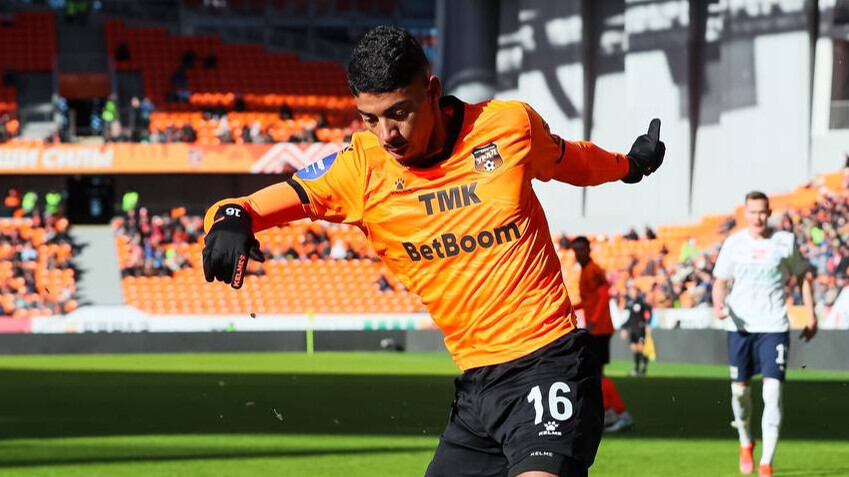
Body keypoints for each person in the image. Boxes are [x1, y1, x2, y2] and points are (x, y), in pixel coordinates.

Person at [201, 26, 665, 477]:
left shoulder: (507, 127)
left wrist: (630, 165)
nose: (387, 134)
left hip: (549, 360)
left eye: (398, 112)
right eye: (370, 119)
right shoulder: (360, 170)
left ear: (432, 91)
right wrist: (229, 222)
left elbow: (571, 159)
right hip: (477, 389)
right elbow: (242, 207)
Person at [712, 191, 817, 477]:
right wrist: (718, 304)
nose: (758, 217)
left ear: (769, 213)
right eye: (753, 212)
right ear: (745, 213)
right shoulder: (734, 244)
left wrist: (811, 314)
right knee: (740, 393)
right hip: (740, 327)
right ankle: (745, 441)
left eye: (762, 212)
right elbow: (720, 281)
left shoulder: (784, 242)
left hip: (774, 326)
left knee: (772, 392)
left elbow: (802, 276)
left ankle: (766, 463)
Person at [571, 236, 633, 433]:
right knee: (594, 373)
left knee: (596, 373)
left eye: (581, 249)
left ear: (589, 249)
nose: (578, 253)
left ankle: (620, 414)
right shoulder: (585, 270)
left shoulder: (594, 270)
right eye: (575, 249)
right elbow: (589, 300)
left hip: (600, 329)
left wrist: (594, 321)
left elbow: (604, 295)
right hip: (596, 328)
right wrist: (569, 308)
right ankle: (611, 413)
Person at [621, 286, 652, 376]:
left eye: (633, 292)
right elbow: (630, 318)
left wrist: (647, 323)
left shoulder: (641, 302)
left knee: (640, 349)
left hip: (640, 329)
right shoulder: (630, 303)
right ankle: (637, 369)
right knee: (634, 349)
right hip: (633, 329)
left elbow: (650, 311)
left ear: (637, 293)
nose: (632, 293)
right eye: (630, 292)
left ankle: (643, 368)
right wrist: (624, 328)